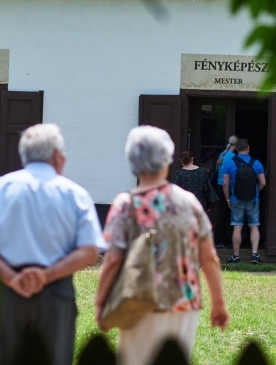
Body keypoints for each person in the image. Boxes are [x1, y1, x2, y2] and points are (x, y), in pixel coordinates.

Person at [0, 123, 105, 365]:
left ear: (24, 155)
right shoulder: (74, 193)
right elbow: (91, 251)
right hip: (55, 291)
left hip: (5, 290)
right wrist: (47, 275)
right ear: (58, 156)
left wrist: (10, 277)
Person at [95, 126, 229, 365]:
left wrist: (101, 304)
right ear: (167, 160)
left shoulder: (126, 204)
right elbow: (208, 257)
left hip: (138, 298)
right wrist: (218, 303)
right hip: (184, 301)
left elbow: (113, 259)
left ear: (132, 161)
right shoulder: (189, 203)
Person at [223, 138, 267, 264]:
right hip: (253, 199)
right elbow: (263, 182)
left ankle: (236, 256)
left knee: (237, 226)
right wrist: (256, 191)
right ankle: (254, 254)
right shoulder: (257, 163)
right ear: (248, 148)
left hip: (236, 199)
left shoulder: (230, 163)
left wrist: (228, 198)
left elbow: (225, 183)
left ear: (236, 149)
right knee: (254, 226)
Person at [213, 135, 238, 247]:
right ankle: (221, 240)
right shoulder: (233, 157)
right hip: (226, 187)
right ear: (236, 145)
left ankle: (221, 239)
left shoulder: (222, 155)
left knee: (222, 214)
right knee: (225, 215)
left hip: (219, 186)